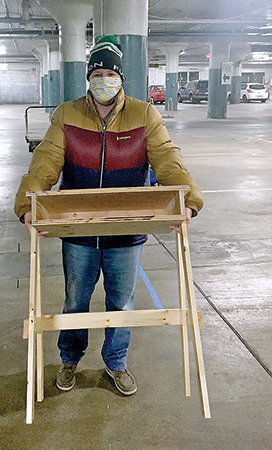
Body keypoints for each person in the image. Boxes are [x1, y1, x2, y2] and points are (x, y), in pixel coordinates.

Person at [14, 35, 203, 396]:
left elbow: (167, 158)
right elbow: (45, 162)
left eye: (109, 73)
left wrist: (188, 200)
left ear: (121, 78)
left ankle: (116, 363)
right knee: (75, 301)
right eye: (97, 73)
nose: (104, 80)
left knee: (121, 302)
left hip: (127, 232)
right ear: (88, 77)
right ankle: (70, 359)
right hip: (78, 231)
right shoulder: (67, 115)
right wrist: (29, 203)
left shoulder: (144, 114)